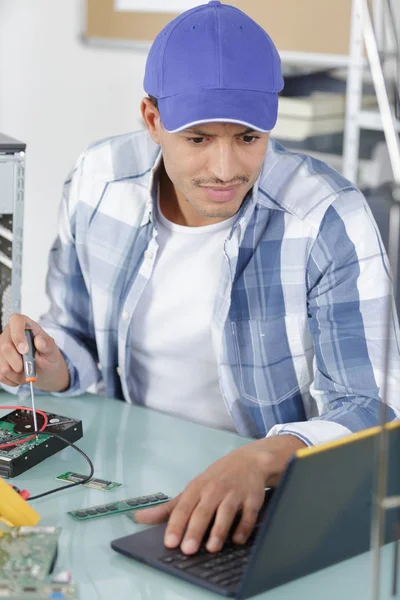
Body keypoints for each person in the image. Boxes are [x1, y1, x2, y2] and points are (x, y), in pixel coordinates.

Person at [0, 0, 399, 556]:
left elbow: (374, 406)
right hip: (128, 481)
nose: (225, 169)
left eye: (248, 137)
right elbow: (77, 335)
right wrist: (50, 362)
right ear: (152, 120)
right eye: (198, 139)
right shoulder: (97, 181)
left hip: (272, 495)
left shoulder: (329, 216)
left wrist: (265, 457)